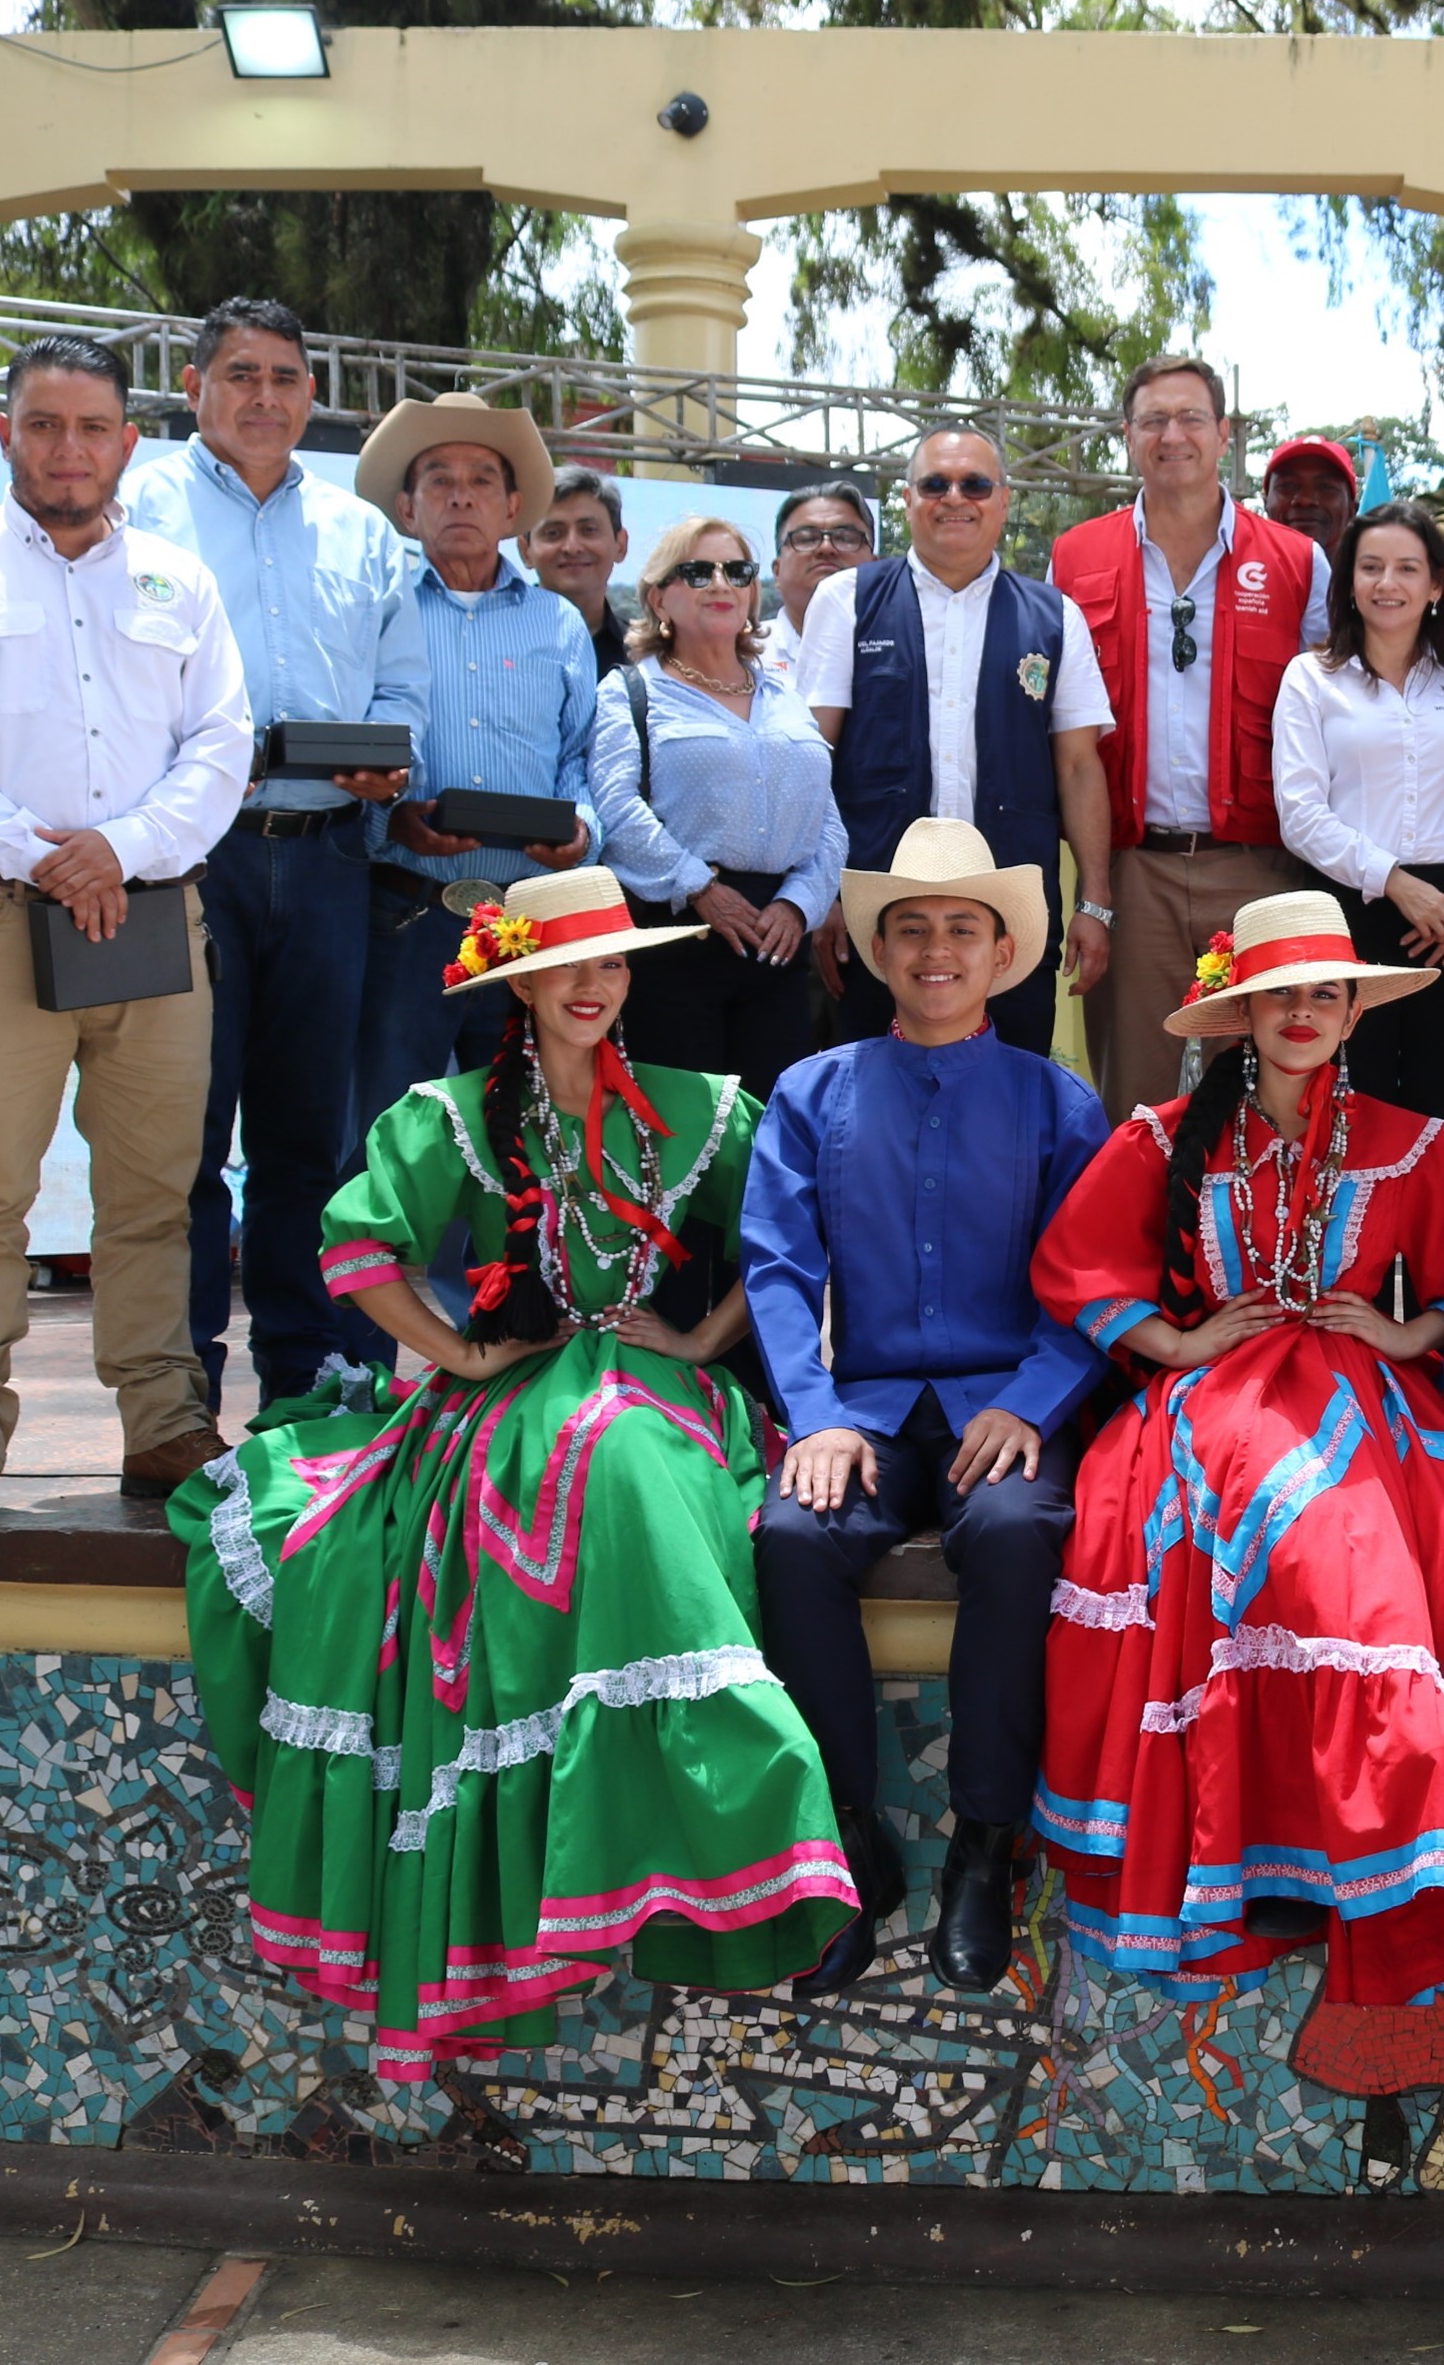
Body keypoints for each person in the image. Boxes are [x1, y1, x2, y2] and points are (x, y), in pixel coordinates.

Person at [175, 865, 859, 2076]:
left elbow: (791, 1240)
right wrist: (459, 1354)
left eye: (608, 964)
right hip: (505, 1395)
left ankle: (722, 1811)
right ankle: (602, 1843)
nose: (590, 986)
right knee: (511, 1491)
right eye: (562, 967)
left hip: (652, 1379)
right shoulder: (446, 1116)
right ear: (519, 983)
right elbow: (359, 1248)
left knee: (619, 1455)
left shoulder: (696, 1104)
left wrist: (702, 1340)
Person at [1031, 891, 1444, 2007]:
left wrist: (1417, 1329)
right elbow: (1078, 1262)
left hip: (1367, 1395)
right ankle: (1268, 1846)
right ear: (1242, 1011)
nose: (1303, 1012)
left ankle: (1376, 1846)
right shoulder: (1162, 1140)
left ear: (1357, 1008)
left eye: (1325, 992)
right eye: (1279, 994)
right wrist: (1172, 1338)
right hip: (1213, 1397)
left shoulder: (1415, 1147)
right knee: (1276, 1536)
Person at [0, 334, 248, 1530]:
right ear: (4, 436)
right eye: (44, 426)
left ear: (129, 442)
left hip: (150, 918)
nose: (68, 449)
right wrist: (44, 853)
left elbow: (220, 743)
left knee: (155, 1192)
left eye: (91, 428)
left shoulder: (179, 582)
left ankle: (164, 1424)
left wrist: (118, 851)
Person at [743, 820, 1112, 1995]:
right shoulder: (812, 1093)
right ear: (879, 951)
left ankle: (983, 1846)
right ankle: (846, 1845)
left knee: (1012, 1533)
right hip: (865, 1404)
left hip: (1006, 1400)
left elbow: (1096, 1283)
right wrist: (814, 1415)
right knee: (796, 1539)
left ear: (1003, 954)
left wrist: (1039, 1403)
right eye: (913, 929)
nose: (937, 950)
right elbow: (778, 1272)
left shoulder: (1060, 1104)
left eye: (963, 928)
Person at [122, 295, 422, 1420]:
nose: (263, 396)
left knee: (310, 1135)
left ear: (311, 396)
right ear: (195, 390)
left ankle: (304, 1377)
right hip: (189, 859)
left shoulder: (359, 532)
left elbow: (401, 689)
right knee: (186, 1137)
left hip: (332, 854)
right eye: (239, 374)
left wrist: (392, 759)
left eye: (285, 376)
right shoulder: (135, 512)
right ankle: (178, 1384)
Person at [1051, 354, 1330, 1118]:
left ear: (1224, 434)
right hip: (1131, 873)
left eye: (1191, 418)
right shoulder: (1074, 558)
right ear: (1127, 435)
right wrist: (1096, 897)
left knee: (1266, 1094)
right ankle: (1139, 1239)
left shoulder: (1299, 563)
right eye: (1153, 420)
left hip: (1259, 869)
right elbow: (1064, 734)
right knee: (1134, 1100)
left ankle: (1252, 1239)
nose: (1172, 436)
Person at [800, 426, 1117, 1056]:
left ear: (1003, 500)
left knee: (1010, 1095)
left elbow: (1080, 769)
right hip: (877, 910)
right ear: (906, 499)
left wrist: (1096, 905)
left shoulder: (1055, 618)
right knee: (874, 1097)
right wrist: (821, 892)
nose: (955, 497)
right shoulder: (846, 602)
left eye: (975, 484)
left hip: (1008, 913)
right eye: (935, 484)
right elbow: (814, 759)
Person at [349, 393, 599, 1152]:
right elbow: (354, 750)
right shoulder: (373, 609)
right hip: (405, 916)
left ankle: (491, 1279)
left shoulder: (557, 622)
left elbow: (582, 758)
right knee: (388, 1136)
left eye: (483, 479)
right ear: (405, 505)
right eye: (439, 478)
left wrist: (582, 832)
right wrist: (390, 820)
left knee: (517, 1135)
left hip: (527, 921)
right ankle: (378, 1274)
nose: (462, 493)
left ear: (514, 506)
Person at [588, 513, 842, 1100]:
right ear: (658, 597)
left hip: (778, 943)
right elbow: (617, 807)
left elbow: (828, 820)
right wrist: (700, 887)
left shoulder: (786, 696)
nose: (721, 583)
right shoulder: (632, 690)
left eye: (737, 570)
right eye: (698, 571)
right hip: (674, 935)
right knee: (681, 1133)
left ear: (754, 592)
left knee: (768, 1129)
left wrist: (800, 905)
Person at [1271, 499, 1444, 1130]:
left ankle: (1436, 1232)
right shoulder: (1311, 680)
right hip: (1351, 911)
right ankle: (1352, 1232)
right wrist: (1398, 884)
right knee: (1354, 1104)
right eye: (1370, 567)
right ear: (1348, 583)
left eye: (1407, 568)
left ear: (1435, 585)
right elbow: (1299, 814)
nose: (1387, 583)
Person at [762, 480, 876, 692]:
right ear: (777, 571)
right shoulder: (741, 655)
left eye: (845, 538)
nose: (826, 548)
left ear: (874, 566)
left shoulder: (901, 652)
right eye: (806, 538)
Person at [526, 465, 636, 677]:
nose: (572, 547)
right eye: (553, 533)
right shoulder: (498, 644)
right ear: (525, 551)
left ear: (620, 545)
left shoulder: (647, 656)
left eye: (589, 530)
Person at [1258, 433, 1361, 563]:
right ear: (1266, 504)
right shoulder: (1235, 578)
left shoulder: (1380, 582)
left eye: (1325, 487)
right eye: (1288, 485)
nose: (1305, 500)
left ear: (1352, 510)